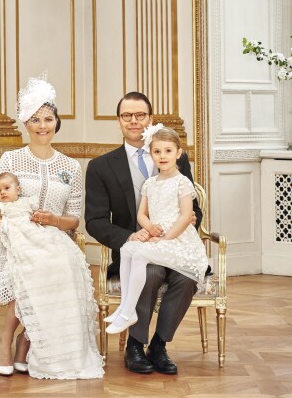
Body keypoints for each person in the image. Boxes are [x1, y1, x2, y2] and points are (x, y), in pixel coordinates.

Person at [0, 75, 104, 380]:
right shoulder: (11, 159)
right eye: (35, 119)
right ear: (26, 123)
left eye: (48, 119)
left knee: (62, 266)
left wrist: (53, 221)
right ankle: (7, 340)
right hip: (15, 242)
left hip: (53, 243)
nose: (42, 125)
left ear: (56, 122)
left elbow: (74, 218)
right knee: (31, 269)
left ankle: (28, 341)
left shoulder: (71, 167)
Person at [85, 91, 202, 375]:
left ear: (150, 118)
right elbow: (95, 221)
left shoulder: (174, 156)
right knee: (151, 274)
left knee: (187, 279)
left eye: (140, 115)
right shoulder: (101, 167)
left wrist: (180, 233)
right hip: (137, 251)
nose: (134, 121)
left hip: (175, 245)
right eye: (127, 116)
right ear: (119, 121)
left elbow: (193, 210)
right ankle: (135, 346)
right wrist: (131, 236)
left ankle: (159, 346)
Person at [104, 125, 208, 335]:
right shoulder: (150, 184)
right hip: (159, 236)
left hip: (179, 242)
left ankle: (128, 313)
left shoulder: (182, 182)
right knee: (126, 250)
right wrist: (149, 226)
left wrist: (165, 239)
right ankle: (125, 306)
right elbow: (142, 214)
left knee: (140, 254)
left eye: (168, 151)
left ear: (178, 153)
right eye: (157, 151)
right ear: (150, 154)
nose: (162, 156)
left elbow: (187, 216)